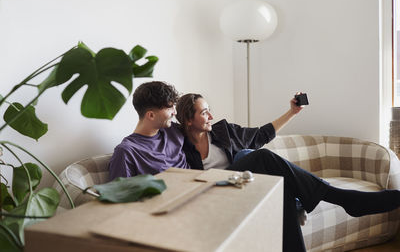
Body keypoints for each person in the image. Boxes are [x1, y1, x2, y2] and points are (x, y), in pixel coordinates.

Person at [108, 81, 400, 252]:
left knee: (277, 185)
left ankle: (331, 206)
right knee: (258, 158)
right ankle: (343, 198)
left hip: (214, 190)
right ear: (150, 114)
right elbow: (116, 200)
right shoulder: (128, 151)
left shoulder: (171, 132)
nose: (172, 112)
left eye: (174, 108)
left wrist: (291, 111)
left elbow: (257, 133)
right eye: (168, 109)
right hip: (188, 201)